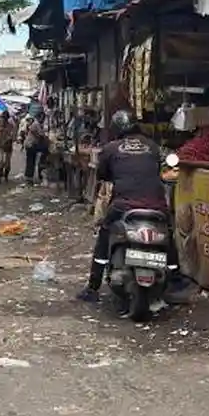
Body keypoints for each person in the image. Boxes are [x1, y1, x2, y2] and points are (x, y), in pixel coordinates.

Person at [76, 110, 177, 304]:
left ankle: (93, 287)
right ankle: (176, 279)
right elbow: (162, 169)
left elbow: (102, 174)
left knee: (104, 234)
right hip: (156, 204)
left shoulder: (111, 148)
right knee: (169, 234)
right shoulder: (152, 146)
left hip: (124, 205)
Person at [22, 110, 47, 184]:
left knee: (30, 161)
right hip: (31, 144)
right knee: (31, 161)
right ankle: (29, 178)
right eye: (43, 117)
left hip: (30, 144)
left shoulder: (35, 123)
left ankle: (28, 177)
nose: (43, 119)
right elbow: (41, 134)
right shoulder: (36, 124)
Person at [0, 111, 17, 183]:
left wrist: (8, 139)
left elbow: (13, 137)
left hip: (8, 146)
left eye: (4, 117)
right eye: (3, 117)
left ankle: (6, 176)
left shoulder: (11, 125)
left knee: (7, 162)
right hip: (0, 145)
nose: (3, 119)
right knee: (0, 161)